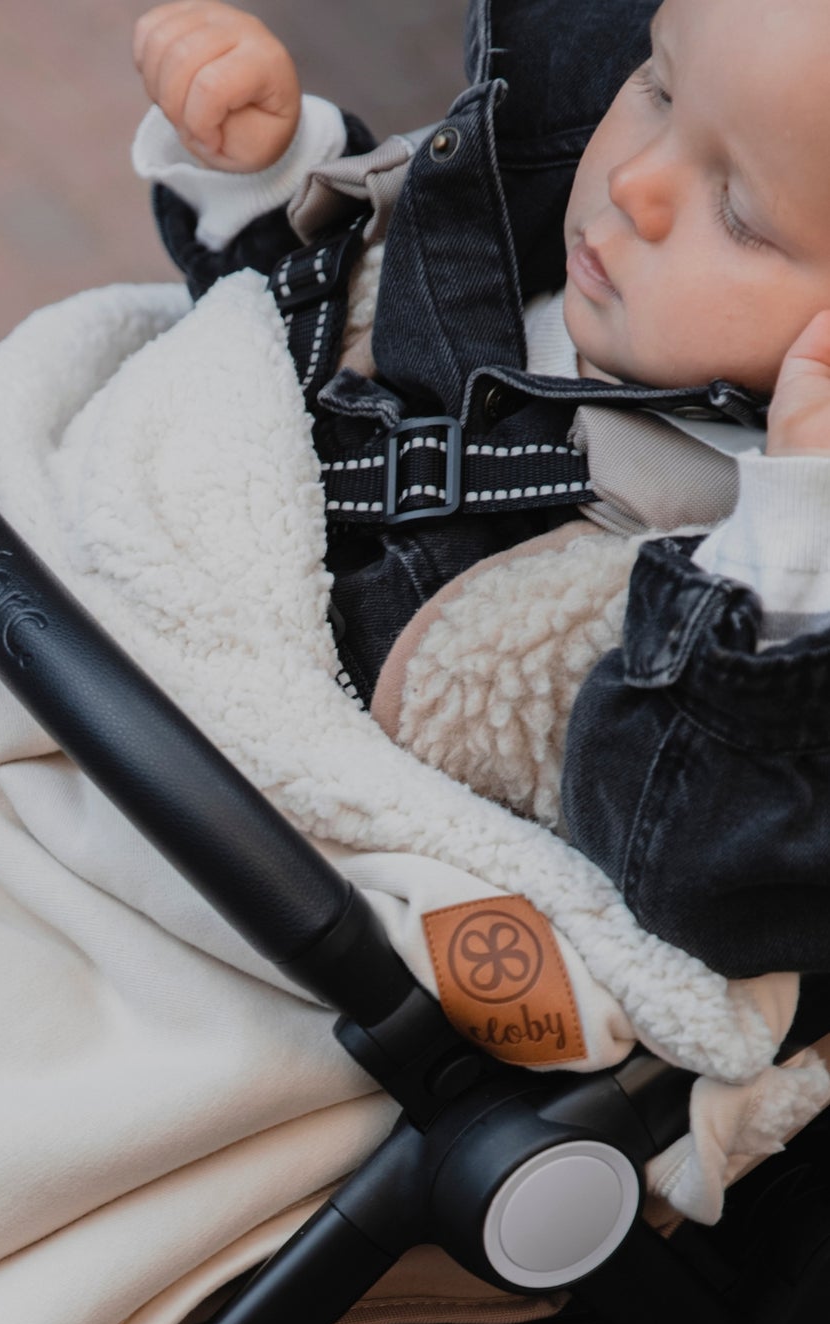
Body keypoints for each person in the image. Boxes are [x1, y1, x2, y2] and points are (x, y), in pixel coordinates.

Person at [129, 0, 830, 980]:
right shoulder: (511, 231)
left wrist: (798, 542)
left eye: (737, 214)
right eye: (656, 88)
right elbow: (299, 349)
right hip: (69, 634)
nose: (632, 181)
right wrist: (268, 171)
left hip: (249, 889)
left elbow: (693, 872)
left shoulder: (753, 568)